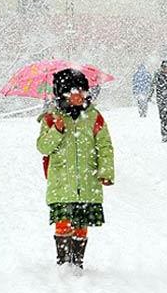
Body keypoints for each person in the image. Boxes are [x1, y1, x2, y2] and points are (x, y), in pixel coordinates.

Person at [36, 69, 115, 273]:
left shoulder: (94, 117)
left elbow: (105, 145)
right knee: (63, 221)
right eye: (73, 90)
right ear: (62, 93)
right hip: (62, 181)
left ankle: (77, 262)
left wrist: (105, 172)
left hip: (87, 181)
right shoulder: (51, 118)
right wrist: (57, 130)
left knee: (81, 222)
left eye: (82, 90)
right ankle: (63, 262)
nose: (79, 95)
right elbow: (43, 147)